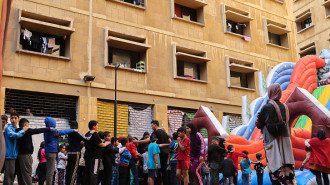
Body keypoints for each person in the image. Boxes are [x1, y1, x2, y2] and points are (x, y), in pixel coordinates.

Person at [256, 84, 295, 184]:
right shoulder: (285, 107)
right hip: (285, 142)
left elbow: (260, 124)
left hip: (272, 142)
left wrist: (259, 121)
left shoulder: (266, 107)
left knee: (275, 167)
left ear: (270, 92)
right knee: (287, 166)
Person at [16, 118, 50, 185]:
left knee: (21, 174)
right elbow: (37, 130)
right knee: (27, 173)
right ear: (25, 125)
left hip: (19, 155)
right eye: (28, 125)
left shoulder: (17, 131)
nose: (29, 127)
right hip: (25, 155)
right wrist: (48, 129)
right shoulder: (26, 131)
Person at [43, 117, 76, 185]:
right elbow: (63, 132)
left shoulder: (47, 130)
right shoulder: (52, 130)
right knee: (51, 172)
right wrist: (73, 130)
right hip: (51, 152)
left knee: (49, 170)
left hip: (48, 152)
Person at [3, 113, 28, 185]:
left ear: (18, 119)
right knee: (9, 175)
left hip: (14, 155)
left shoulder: (15, 129)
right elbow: (13, 135)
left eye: (15, 118)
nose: (13, 120)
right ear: (10, 119)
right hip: (9, 155)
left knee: (11, 175)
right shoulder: (9, 128)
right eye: (12, 118)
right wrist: (23, 130)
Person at [83, 120, 110, 185]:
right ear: (94, 126)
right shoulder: (94, 134)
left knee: (88, 173)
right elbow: (101, 144)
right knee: (94, 173)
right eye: (97, 125)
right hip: (95, 157)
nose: (97, 127)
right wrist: (107, 143)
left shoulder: (87, 134)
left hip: (87, 156)